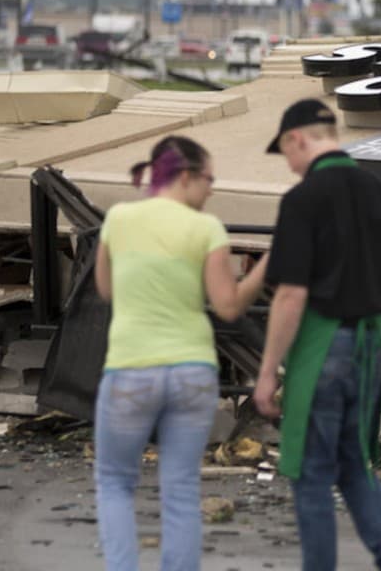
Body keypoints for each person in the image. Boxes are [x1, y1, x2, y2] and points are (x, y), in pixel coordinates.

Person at [254, 98, 381, 571]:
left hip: (323, 348)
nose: (289, 166)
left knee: (311, 473)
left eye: (285, 154)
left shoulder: (302, 199)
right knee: (353, 462)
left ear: (297, 139)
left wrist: (267, 373)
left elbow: (290, 294)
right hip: (373, 347)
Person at [94, 135, 269, 571]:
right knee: (180, 489)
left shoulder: (119, 218)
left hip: (131, 370)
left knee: (115, 482)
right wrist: (269, 265)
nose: (211, 190)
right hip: (192, 372)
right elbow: (229, 306)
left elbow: (106, 289)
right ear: (187, 176)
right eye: (209, 179)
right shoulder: (206, 228)